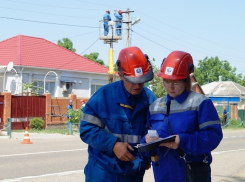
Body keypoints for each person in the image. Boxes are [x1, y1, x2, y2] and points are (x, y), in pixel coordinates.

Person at [141, 51, 223, 182]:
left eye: (176, 82)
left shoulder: (201, 103)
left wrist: (182, 141)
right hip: (163, 174)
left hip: (190, 172)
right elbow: (146, 137)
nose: (170, 87)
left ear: (186, 81)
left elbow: (213, 136)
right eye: (166, 82)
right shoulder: (155, 106)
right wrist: (146, 142)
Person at [80, 46, 157, 182]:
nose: (138, 86)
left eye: (141, 80)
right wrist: (113, 145)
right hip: (102, 172)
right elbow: (86, 130)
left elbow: (153, 133)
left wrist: (147, 156)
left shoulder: (150, 100)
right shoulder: (103, 97)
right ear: (120, 75)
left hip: (134, 173)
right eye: (133, 81)